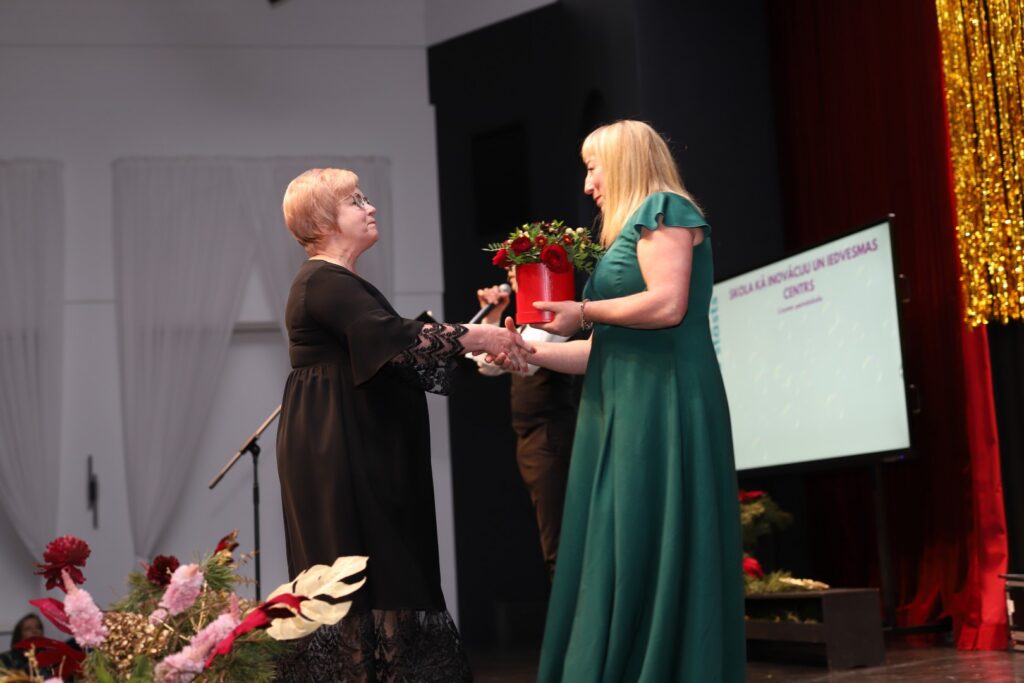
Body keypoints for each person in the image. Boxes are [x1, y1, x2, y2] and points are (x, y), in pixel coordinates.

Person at [506, 120, 745, 681]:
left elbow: (667, 305)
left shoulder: (666, 209)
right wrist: (527, 352)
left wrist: (583, 311)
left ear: (624, 162)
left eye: (593, 168)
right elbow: (601, 351)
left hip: (663, 403)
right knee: (618, 543)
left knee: (649, 535)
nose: (588, 184)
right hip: (620, 404)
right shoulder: (627, 234)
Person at [272, 168, 531, 682]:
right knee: (356, 586)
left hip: (359, 447)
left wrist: (475, 334)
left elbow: (401, 351)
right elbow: (394, 338)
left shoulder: (342, 283)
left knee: (383, 581)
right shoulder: (322, 280)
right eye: (355, 201)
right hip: (339, 453)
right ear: (323, 221)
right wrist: (482, 337)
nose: (370, 208)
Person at [471, 269, 578, 580]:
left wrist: (488, 336)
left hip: (550, 436)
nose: (510, 273)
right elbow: (488, 367)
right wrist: (494, 318)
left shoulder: (552, 318)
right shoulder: (529, 323)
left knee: (560, 543)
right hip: (531, 438)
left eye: (517, 266)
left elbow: (525, 362)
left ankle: (570, 608)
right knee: (553, 540)